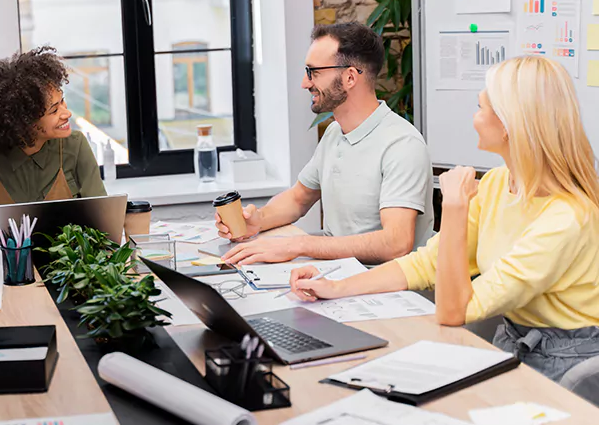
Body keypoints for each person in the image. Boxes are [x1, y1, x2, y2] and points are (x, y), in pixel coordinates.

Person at [290, 56, 599, 382]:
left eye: (481, 108)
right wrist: (336, 288)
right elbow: (427, 263)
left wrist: (454, 206)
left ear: (510, 125)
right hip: (514, 342)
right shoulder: (498, 182)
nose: (474, 117)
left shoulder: (566, 218)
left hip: (568, 366)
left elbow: (455, 311)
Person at [217, 22, 433, 265]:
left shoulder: (402, 144)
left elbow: (396, 243)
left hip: (386, 290)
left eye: (314, 72)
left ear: (350, 77)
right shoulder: (334, 133)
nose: (305, 83)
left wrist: (301, 244)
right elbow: (299, 198)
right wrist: (257, 220)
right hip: (337, 277)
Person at [0, 46, 106, 242]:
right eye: (53, 110)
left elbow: (102, 219)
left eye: (63, 101)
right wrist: (8, 231)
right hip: (3, 266)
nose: (66, 113)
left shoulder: (75, 145)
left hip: (68, 269)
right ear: (23, 123)